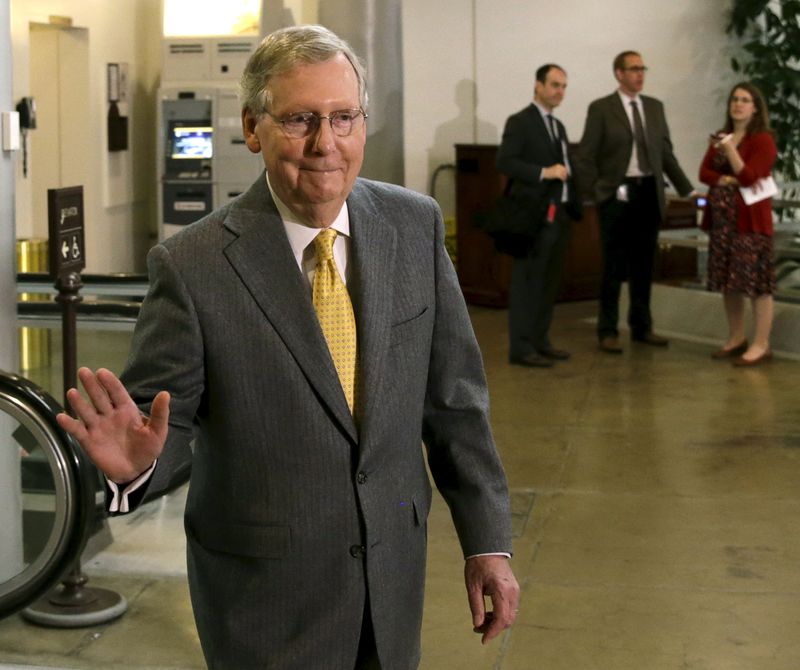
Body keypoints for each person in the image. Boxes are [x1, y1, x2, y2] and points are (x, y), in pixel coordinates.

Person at [55, 25, 519, 670]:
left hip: (391, 576)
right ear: (253, 127)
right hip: (264, 599)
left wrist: (487, 543)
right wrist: (136, 468)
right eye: (301, 119)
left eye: (343, 118)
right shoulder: (193, 265)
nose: (326, 143)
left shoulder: (414, 226)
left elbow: (455, 406)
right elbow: (165, 424)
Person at [575, 50, 694, 353]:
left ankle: (642, 327)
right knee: (614, 265)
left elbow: (665, 153)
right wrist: (595, 191)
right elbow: (586, 154)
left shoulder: (654, 108)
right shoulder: (602, 108)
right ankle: (608, 330)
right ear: (619, 73)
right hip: (616, 193)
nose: (640, 74)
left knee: (645, 264)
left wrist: (687, 190)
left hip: (647, 192)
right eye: (633, 69)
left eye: (643, 69)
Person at [496, 64, 582, 368]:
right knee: (527, 281)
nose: (560, 92)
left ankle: (541, 339)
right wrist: (544, 173)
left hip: (558, 214)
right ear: (538, 86)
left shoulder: (557, 127)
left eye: (563, 86)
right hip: (531, 216)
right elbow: (505, 161)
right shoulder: (520, 121)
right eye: (555, 85)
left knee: (549, 281)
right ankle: (521, 346)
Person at [699, 82, 778, 366]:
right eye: (734, 99)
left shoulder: (763, 140)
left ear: (755, 107)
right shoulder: (722, 135)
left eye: (745, 100)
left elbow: (749, 177)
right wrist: (725, 177)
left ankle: (761, 344)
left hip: (750, 224)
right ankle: (736, 337)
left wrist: (730, 149)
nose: (738, 104)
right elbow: (704, 172)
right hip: (723, 224)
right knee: (728, 282)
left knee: (757, 284)